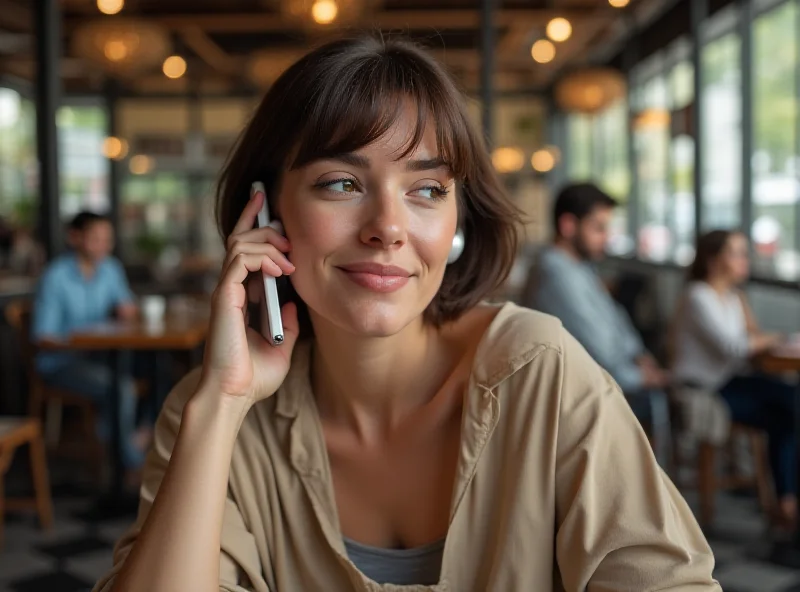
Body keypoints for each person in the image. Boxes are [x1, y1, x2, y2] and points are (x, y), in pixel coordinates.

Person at [94, 37, 718, 592]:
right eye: (341, 182)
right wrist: (222, 406)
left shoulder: (538, 372)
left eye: (426, 190)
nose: (389, 228)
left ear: (457, 218)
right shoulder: (213, 414)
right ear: (265, 214)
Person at [527, 182, 671, 461]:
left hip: (605, 385)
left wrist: (640, 355)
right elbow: (599, 352)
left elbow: (615, 318)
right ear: (568, 225)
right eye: (598, 228)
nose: (606, 237)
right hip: (579, 400)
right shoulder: (555, 275)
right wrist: (642, 375)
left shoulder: (578, 266)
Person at [672, 229, 795, 526]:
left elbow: (751, 339)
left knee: (790, 408)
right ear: (714, 260)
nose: (745, 260)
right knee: (788, 408)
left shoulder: (731, 297)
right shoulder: (698, 296)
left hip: (729, 380)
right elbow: (735, 346)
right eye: (736, 253)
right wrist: (776, 337)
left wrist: (754, 324)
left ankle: (786, 500)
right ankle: (787, 501)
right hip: (705, 388)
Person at [32, 211, 149, 473]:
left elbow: (127, 306)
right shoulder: (56, 276)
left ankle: (135, 437)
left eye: (107, 239)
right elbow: (43, 337)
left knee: (158, 369)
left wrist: (126, 311)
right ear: (75, 237)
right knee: (122, 388)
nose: (103, 246)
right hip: (61, 363)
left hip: (100, 356)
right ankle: (129, 464)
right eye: (96, 238)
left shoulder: (110, 269)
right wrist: (83, 342)